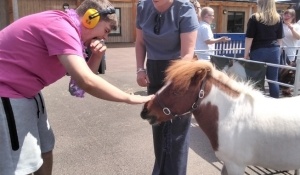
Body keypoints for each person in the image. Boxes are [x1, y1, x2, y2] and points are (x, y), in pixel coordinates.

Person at [0, 0, 153, 174]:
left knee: (45, 149)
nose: (105, 38)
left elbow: (76, 89)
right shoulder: (61, 28)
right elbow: (85, 81)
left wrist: (96, 57)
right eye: (106, 31)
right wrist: (129, 98)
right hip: (7, 93)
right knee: (21, 165)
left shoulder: (73, 35)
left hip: (29, 93)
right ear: (91, 19)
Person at [135, 0, 199, 174]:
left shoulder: (184, 8)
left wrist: (174, 83)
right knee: (157, 124)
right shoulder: (143, 6)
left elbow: (187, 53)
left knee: (176, 131)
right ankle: (161, 170)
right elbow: (140, 42)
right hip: (153, 70)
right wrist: (140, 69)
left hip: (178, 72)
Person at [244, 0, 284, 98]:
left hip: (258, 51)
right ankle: (275, 104)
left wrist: (246, 53)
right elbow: (280, 39)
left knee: (256, 80)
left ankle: (257, 105)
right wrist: (278, 51)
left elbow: (249, 38)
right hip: (274, 50)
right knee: (273, 80)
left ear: (260, 4)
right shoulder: (278, 18)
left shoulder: (254, 17)